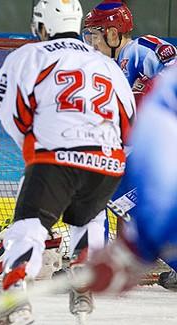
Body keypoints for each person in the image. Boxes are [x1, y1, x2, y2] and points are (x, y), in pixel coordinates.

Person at [0, 0, 135, 323]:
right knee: (88, 215)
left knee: (30, 224)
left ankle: (15, 295)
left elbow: (11, 112)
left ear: (42, 26)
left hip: (56, 158)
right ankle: (83, 278)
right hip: (108, 162)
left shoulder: (27, 56)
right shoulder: (107, 64)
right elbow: (127, 119)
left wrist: (37, 151)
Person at [83, 0, 177, 289]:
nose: (92, 42)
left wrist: (152, 89)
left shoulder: (141, 49)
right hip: (141, 147)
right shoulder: (104, 68)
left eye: (96, 35)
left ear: (114, 33)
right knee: (121, 198)